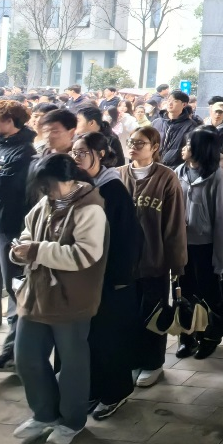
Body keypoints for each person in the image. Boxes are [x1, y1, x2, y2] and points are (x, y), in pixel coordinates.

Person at [10, 154, 108, 444]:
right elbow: (27, 233)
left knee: (73, 365)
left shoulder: (90, 208)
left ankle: (72, 421)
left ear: (68, 180)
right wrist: (20, 250)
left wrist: (36, 251)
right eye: (42, 186)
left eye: (50, 185)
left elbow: (85, 255)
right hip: (36, 294)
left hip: (72, 298)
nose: (46, 191)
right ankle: (45, 414)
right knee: (26, 357)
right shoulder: (45, 204)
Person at [72, 131, 143, 421]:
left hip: (112, 278)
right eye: (74, 153)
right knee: (91, 338)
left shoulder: (112, 188)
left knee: (111, 337)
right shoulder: (80, 186)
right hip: (88, 277)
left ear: (100, 154)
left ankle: (116, 392)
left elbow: (128, 237)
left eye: (82, 152)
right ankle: (95, 388)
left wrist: (120, 276)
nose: (77, 158)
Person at [0, 99, 39, 372]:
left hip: (9, 224)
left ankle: (13, 351)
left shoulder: (25, 150)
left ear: (10, 121)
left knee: (14, 286)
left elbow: (5, 185)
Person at [120, 125, 187, 389]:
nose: (133, 147)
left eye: (140, 143)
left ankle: (152, 363)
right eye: (131, 142)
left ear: (155, 147)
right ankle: (132, 360)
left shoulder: (166, 178)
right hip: (124, 263)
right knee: (127, 314)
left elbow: (174, 224)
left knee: (153, 313)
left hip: (154, 261)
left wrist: (176, 263)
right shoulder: (117, 175)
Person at [177, 128, 223, 360]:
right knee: (184, 293)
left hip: (205, 246)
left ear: (200, 149)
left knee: (208, 294)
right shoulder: (178, 172)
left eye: (189, 144)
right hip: (182, 245)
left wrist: (220, 259)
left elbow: (221, 219)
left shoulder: (215, 176)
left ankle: (210, 337)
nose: (184, 148)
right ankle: (186, 338)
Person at [155, 90, 199, 169]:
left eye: (175, 101)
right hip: (154, 166)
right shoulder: (156, 122)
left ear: (184, 104)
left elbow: (191, 149)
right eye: (168, 100)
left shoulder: (191, 126)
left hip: (176, 168)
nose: (170, 103)